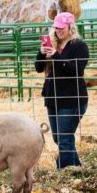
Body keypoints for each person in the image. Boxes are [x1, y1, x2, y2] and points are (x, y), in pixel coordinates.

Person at [35, 12, 89, 169]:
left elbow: (76, 70)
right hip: (53, 98)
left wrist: (56, 56)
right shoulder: (52, 44)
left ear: (70, 27)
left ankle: (64, 172)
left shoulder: (79, 46)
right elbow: (38, 68)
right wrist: (42, 53)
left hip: (72, 98)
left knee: (65, 138)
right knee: (59, 137)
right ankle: (76, 168)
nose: (58, 31)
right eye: (56, 28)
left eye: (61, 28)